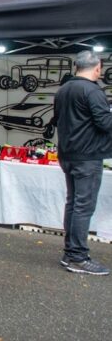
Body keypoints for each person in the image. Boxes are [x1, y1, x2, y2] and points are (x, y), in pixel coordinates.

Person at [54, 50, 112, 276]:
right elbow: (105, 123)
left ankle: (70, 253)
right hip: (87, 156)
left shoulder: (63, 90)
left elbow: (58, 120)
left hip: (68, 153)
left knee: (73, 204)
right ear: (98, 68)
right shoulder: (93, 91)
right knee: (83, 206)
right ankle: (78, 257)